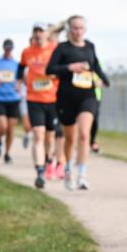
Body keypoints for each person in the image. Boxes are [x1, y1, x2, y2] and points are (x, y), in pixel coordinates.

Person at [45, 15, 110, 190]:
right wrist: (69, 68)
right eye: (75, 28)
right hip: (66, 97)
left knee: (83, 134)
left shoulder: (90, 46)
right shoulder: (62, 48)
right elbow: (49, 69)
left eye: (81, 28)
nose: (78, 31)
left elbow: (96, 66)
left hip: (87, 95)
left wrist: (103, 80)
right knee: (70, 138)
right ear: (69, 30)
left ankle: (82, 174)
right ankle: (68, 170)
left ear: (85, 30)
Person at [19, 23, 59, 189]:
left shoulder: (55, 49)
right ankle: (40, 172)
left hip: (53, 99)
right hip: (34, 98)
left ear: (46, 34)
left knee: (49, 137)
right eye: (35, 31)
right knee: (38, 134)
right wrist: (19, 80)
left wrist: (55, 74)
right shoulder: (27, 52)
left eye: (41, 31)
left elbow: (63, 68)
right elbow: (20, 67)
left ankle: (48, 159)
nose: (38, 34)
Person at [0, 39, 23, 164]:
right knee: (3, 126)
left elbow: (21, 78)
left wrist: (19, 84)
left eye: (10, 48)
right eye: (6, 48)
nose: (8, 50)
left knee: (11, 129)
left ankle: (7, 153)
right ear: (3, 48)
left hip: (13, 98)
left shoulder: (17, 63)